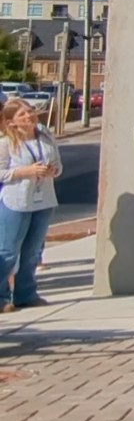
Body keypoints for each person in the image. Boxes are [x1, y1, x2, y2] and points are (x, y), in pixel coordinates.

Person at [0, 99, 61, 313]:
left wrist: (53, 170)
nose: (29, 117)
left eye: (30, 112)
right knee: (8, 251)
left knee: (33, 251)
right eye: (22, 115)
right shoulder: (6, 143)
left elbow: (59, 164)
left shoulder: (45, 136)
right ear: (11, 122)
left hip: (43, 199)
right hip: (16, 201)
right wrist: (24, 172)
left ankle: (26, 294)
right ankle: (1, 297)